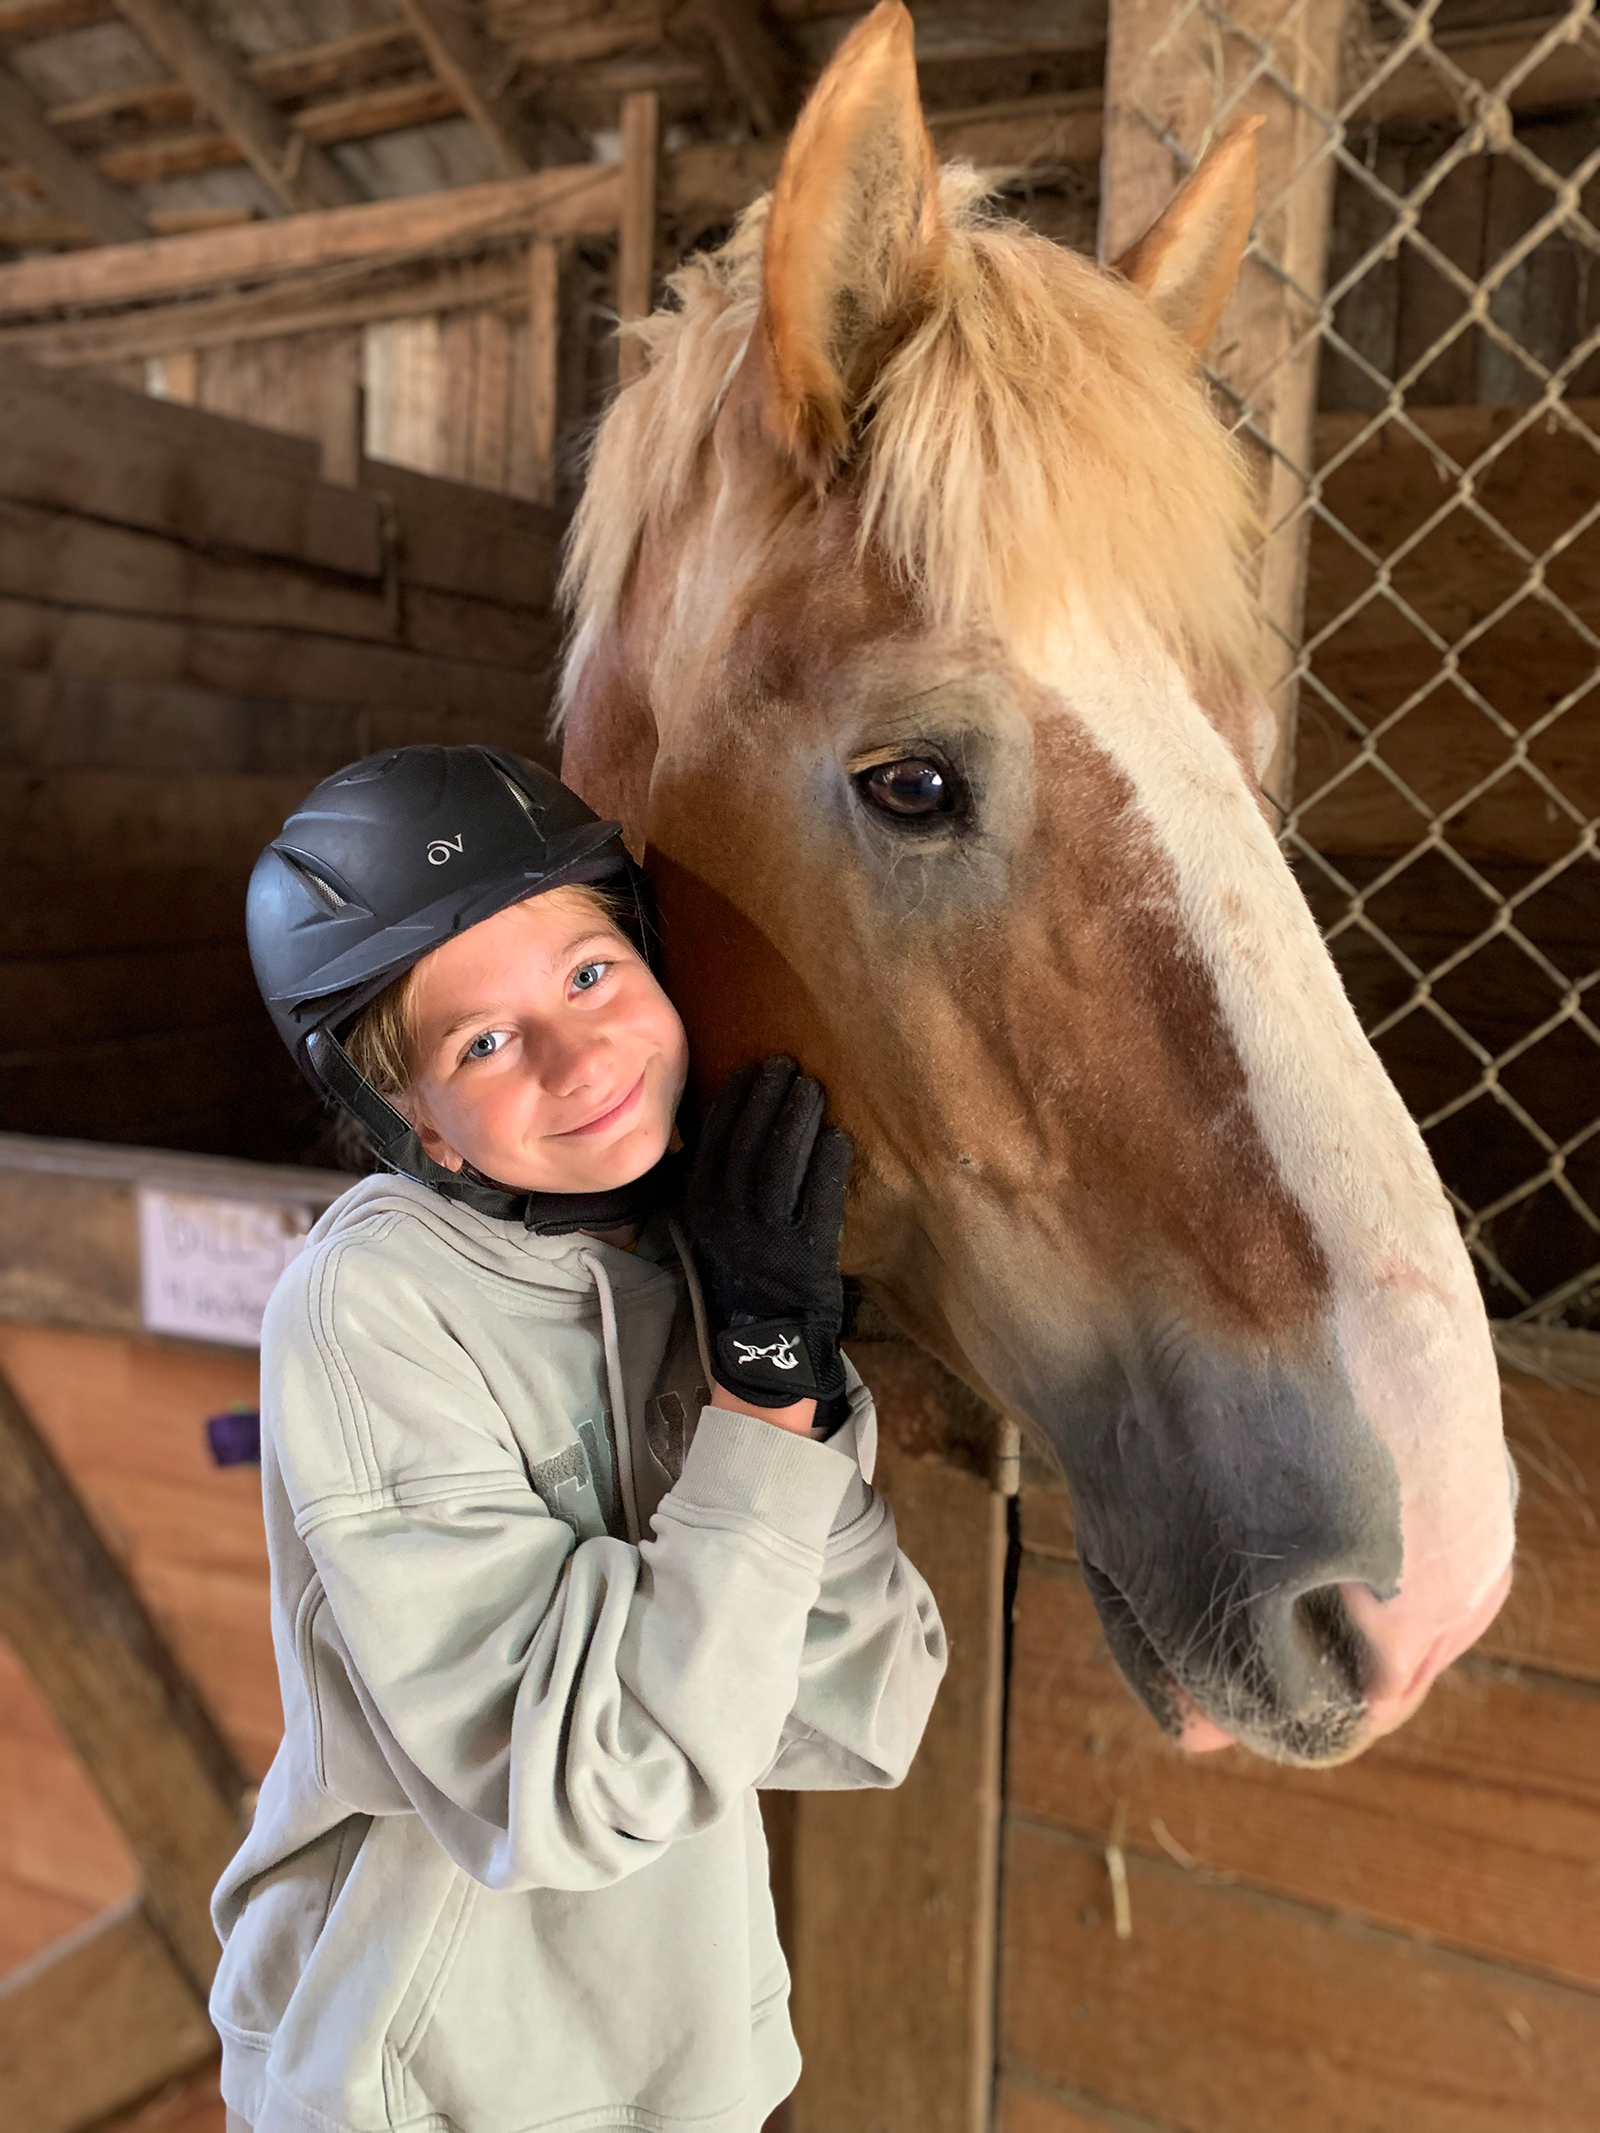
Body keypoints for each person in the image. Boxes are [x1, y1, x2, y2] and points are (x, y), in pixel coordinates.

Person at [214, 743, 948, 2133]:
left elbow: (860, 1709)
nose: (575, 1052)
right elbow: (580, 1795)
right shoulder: (371, 1304)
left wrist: (783, 1372)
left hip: (686, 2087)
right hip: (415, 2090)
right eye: (478, 1043)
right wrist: (756, 1405)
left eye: (589, 973)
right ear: (412, 1125)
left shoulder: (698, 1263)